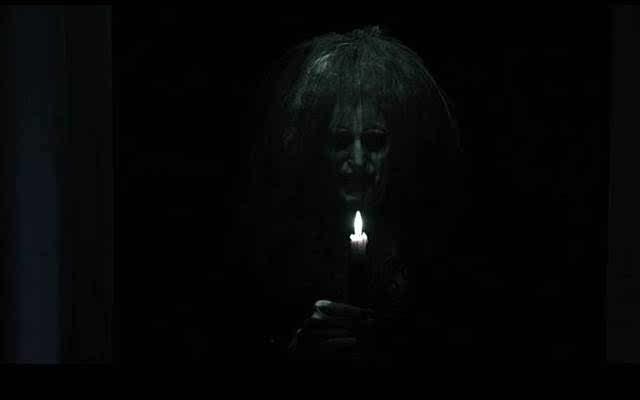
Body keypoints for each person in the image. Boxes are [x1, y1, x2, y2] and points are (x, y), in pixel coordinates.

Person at [236, 25, 472, 367]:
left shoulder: (431, 250)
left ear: (398, 148)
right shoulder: (279, 251)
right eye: (341, 141)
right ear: (318, 148)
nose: (359, 160)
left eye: (374, 141)